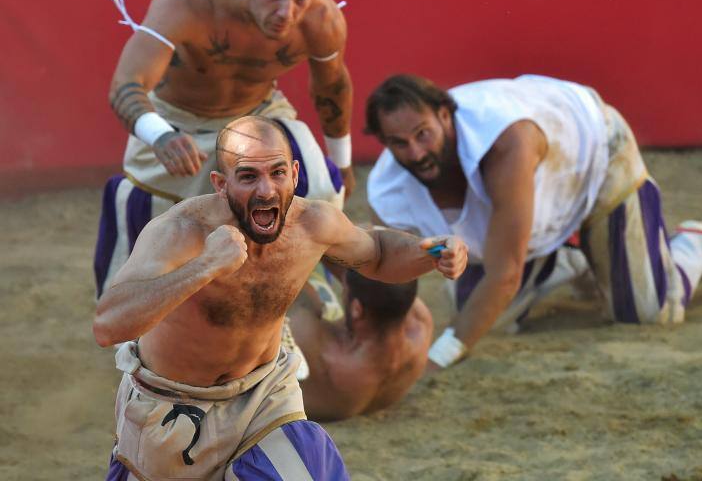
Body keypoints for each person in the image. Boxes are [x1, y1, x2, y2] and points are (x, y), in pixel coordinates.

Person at [93, 115, 467, 480]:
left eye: (277, 173)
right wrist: (204, 267)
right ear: (221, 184)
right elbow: (108, 326)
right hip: (171, 404)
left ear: (295, 174)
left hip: (264, 395)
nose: (266, 190)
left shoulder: (312, 224)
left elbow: (378, 253)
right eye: (248, 176)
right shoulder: (180, 231)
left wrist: (431, 253)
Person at [364, 73, 702, 372]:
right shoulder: (388, 188)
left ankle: (694, 247)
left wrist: (437, 359)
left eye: (423, 134)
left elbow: (504, 276)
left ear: (445, 115)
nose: (416, 153)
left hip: (597, 158)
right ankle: (568, 258)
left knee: (648, 312)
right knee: (486, 318)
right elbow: (390, 268)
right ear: (383, 143)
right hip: (533, 209)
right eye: (399, 143)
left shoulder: (506, 143)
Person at [96, 0, 354, 294]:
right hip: (177, 121)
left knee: (312, 171)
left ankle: (303, 272)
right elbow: (126, 84)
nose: (287, 12)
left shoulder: (321, 20)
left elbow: (332, 88)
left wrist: (342, 161)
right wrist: (161, 135)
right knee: (151, 243)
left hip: (256, 114)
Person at [286, 265, 433, 421]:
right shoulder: (420, 324)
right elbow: (388, 285)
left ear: (357, 310)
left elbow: (281, 274)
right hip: (365, 399)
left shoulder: (311, 341)